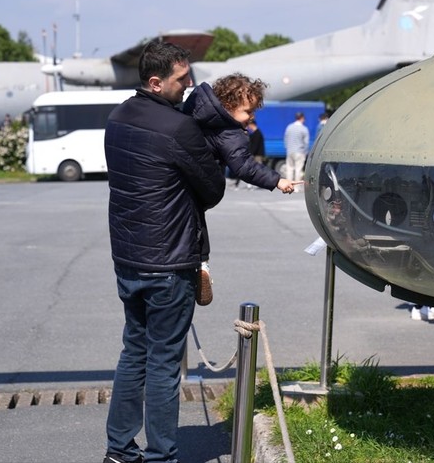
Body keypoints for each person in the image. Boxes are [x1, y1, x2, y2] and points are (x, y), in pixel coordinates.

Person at [103, 40, 226, 463]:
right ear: (155, 82)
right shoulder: (178, 128)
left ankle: (118, 449)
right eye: (181, 80)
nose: (190, 86)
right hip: (169, 263)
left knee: (133, 353)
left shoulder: (118, 118)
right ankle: (161, 456)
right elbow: (212, 189)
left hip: (129, 258)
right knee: (163, 364)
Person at [182, 74, 297, 195]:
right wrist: (277, 180)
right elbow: (245, 167)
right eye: (248, 111)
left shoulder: (200, 116)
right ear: (228, 105)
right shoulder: (230, 133)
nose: (252, 117)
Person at [284, 111, 310, 182]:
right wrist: (306, 152)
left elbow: (286, 139)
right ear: (302, 118)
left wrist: (287, 148)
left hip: (290, 151)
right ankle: (296, 187)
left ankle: (289, 185)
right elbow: (306, 143)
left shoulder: (289, 127)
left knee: (289, 169)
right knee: (298, 170)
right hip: (300, 152)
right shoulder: (304, 129)